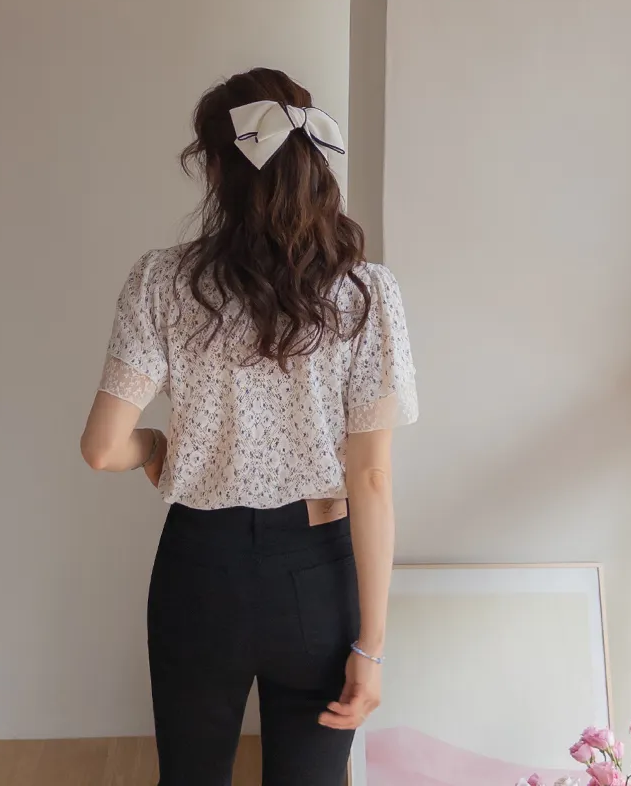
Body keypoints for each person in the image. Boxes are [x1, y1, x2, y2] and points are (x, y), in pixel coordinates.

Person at [80, 67, 418, 786]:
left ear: (216, 169)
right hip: (318, 573)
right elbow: (371, 478)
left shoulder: (160, 280)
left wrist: (156, 445)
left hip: (199, 567)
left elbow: (103, 448)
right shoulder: (366, 292)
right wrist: (372, 648)